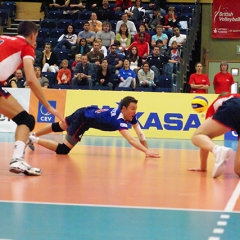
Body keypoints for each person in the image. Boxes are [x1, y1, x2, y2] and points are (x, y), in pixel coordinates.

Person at [0, 21, 63, 176]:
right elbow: (31, 79)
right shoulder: (27, 47)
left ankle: (18, 159)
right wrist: (47, 106)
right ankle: (17, 159)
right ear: (33, 35)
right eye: (36, 37)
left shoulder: (3, 38)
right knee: (26, 120)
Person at [26, 96, 160, 158]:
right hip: (84, 119)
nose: (135, 112)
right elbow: (131, 140)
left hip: (85, 110)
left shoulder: (129, 116)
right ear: (123, 108)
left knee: (60, 126)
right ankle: (33, 139)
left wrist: (146, 151)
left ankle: (33, 135)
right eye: (132, 109)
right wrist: (146, 151)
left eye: (136, 109)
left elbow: (140, 133)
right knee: (63, 150)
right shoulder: (118, 120)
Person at [190, 93, 240, 178]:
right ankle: (219, 151)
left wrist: (203, 167)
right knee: (238, 170)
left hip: (232, 106)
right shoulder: (236, 96)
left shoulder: (216, 105)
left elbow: (205, 139)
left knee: (197, 136)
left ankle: (218, 150)